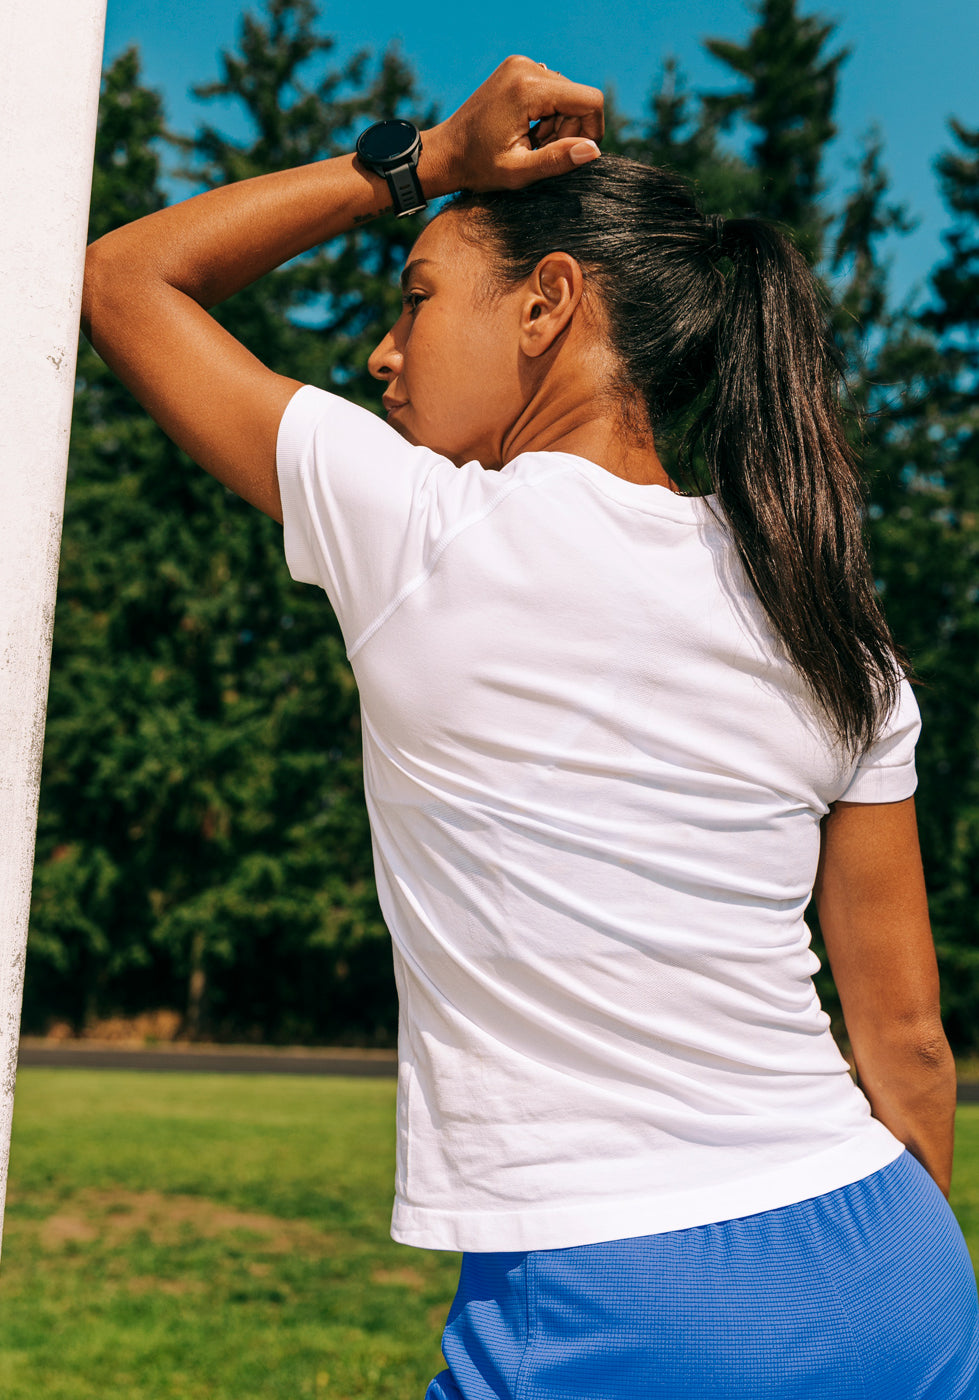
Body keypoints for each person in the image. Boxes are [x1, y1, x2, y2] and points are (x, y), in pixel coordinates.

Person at [82, 55, 978, 1400]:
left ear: (550, 304)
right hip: (894, 1264)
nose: (384, 351)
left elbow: (125, 280)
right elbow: (906, 1041)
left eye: (418, 297)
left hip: (617, 1300)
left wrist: (425, 164)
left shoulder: (426, 534)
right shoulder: (827, 617)